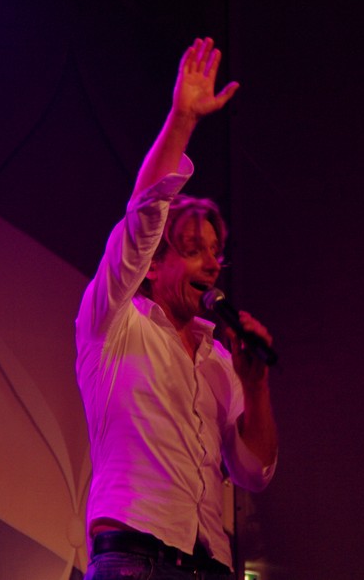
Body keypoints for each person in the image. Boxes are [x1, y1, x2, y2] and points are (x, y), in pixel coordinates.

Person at [75, 37, 278, 580]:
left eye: (216, 253)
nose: (211, 264)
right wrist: (182, 120)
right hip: (135, 560)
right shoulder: (115, 323)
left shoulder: (220, 361)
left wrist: (255, 384)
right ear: (153, 265)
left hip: (210, 566)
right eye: (192, 250)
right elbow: (144, 215)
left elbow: (254, 473)